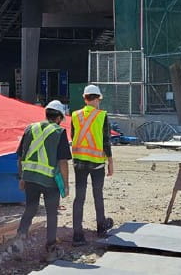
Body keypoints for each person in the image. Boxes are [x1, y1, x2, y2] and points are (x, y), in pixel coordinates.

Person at [15, 99, 71, 260]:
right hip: (50, 182)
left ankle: (20, 238)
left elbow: (20, 156)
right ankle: (51, 250)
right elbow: (63, 162)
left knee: (30, 209)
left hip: (31, 178)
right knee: (52, 214)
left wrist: (22, 177)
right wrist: (65, 185)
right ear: (60, 118)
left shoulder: (30, 128)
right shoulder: (59, 132)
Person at [71, 84, 114, 245]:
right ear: (97, 99)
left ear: (84, 98)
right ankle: (101, 229)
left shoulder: (75, 115)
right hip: (96, 163)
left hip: (79, 162)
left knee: (79, 198)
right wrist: (110, 162)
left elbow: (73, 135)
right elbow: (106, 141)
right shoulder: (102, 116)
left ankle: (77, 235)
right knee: (98, 195)